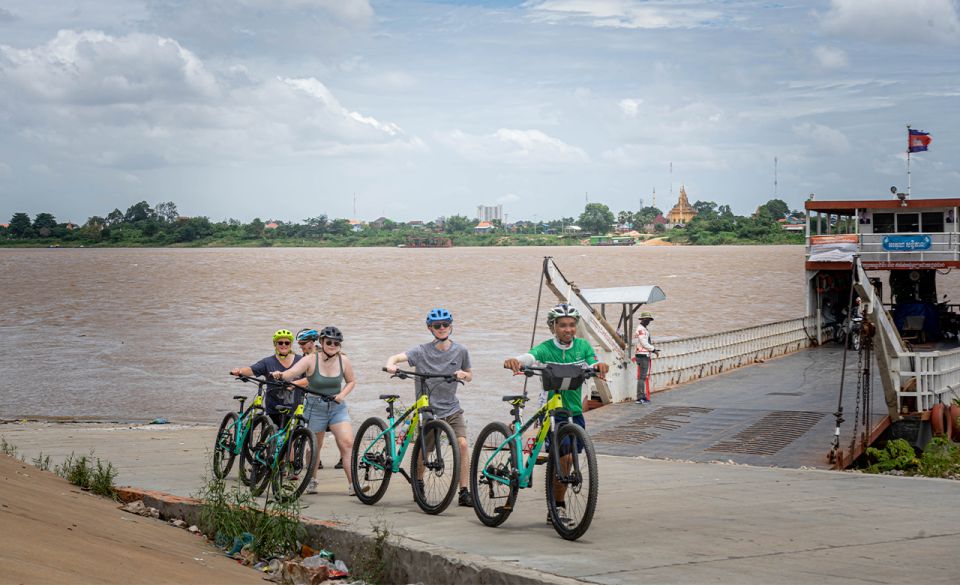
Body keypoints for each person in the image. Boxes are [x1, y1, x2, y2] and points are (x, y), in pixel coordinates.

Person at [504, 303, 609, 526]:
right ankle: (557, 508)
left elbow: (594, 361)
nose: (568, 329)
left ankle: (555, 505)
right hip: (552, 411)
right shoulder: (546, 348)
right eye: (562, 325)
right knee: (564, 458)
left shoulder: (582, 346)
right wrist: (515, 361)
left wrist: (600, 366)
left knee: (569, 458)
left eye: (572, 325)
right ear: (553, 327)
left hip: (574, 411)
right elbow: (530, 357)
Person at [385, 308, 474, 507]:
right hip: (429, 410)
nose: (442, 328)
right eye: (437, 326)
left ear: (451, 326)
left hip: (452, 408)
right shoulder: (421, 351)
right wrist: (391, 365)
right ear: (430, 328)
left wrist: (463, 375)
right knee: (425, 451)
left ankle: (464, 492)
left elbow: (470, 374)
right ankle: (418, 484)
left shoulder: (461, 351)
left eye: (445, 324)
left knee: (463, 445)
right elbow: (396, 358)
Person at [273, 326, 358, 495]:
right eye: (329, 342)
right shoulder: (311, 360)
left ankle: (353, 485)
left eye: (336, 343)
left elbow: (351, 381)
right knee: (315, 447)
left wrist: (342, 395)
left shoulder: (344, 360)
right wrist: (280, 375)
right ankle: (312, 480)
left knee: (347, 443)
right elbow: (292, 373)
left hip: (337, 407)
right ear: (322, 342)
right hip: (315, 407)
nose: (333, 345)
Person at [230, 329, 303, 427]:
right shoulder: (267, 362)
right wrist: (239, 371)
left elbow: (310, 379)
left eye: (287, 342)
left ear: (290, 344)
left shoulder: (301, 361)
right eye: (280, 342)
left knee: (292, 439)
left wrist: (295, 384)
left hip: (295, 408)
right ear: (275, 344)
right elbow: (251, 370)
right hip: (274, 408)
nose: (284, 345)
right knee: (273, 437)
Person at [633, 312, 659, 404]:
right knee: (642, 377)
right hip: (642, 355)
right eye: (647, 320)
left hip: (641, 354)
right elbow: (644, 343)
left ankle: (641, 396)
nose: (648, 321)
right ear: (643, 319)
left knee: (642, 377)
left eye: (649, 320)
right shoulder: (642, 330)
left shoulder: (642, 329)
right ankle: (640, 397)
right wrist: (653, 349)